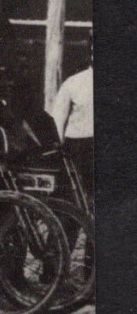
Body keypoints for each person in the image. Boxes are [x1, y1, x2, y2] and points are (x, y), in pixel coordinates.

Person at [51, 34, 93, 195]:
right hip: (79, 148)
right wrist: (58, 147)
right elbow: (58, 119)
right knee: (78, 195)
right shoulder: (73, 83)